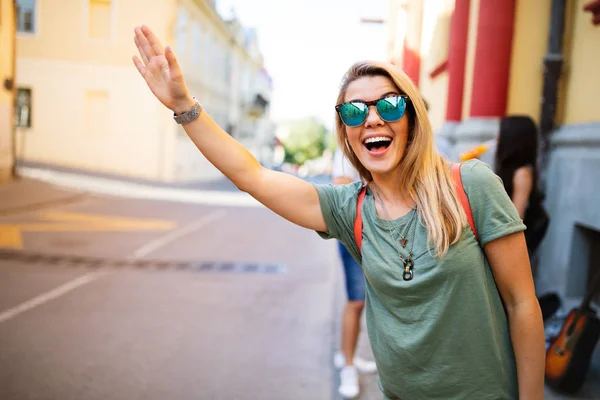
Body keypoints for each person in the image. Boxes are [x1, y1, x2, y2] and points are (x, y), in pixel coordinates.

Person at [132, 25, 545, 399]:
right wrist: (185, 107)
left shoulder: (469, 186)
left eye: (389, 105)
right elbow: (251, 175)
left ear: (412, 118)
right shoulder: (349, 210)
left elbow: (522, 302)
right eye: (354, 111)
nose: (371, 119)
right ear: (346, 131)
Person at [330, 148, 377, 398]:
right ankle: (348, 365)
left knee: (371, 300)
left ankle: (352, 355)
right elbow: (338, 186)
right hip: (356, 231)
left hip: (383, 233)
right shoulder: (350, 149)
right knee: (357, 300)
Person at [494, 115, 549, 259]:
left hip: (507, 246)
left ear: (512, 138)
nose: (497, 136)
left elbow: (516, 217)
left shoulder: (522, 174)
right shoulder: (507, 169)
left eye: (501, 132)